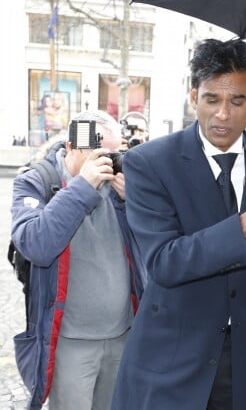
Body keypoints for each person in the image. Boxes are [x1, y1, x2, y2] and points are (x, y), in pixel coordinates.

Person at [111, 38, 246, 410]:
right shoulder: (148, 163)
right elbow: (164, 262)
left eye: (237, 101)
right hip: (172, 365)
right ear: (193, 96)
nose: (223, 114)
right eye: (212, 99)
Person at [10, 110, 144, 410]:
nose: (107, 162)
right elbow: (36, 244)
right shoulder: (37, 181)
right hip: (71, 343)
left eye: (113, 154)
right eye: (99, 153)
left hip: (123, 335)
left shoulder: (118, 186)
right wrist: (83, 186)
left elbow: (151, 247)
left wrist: (132, 203)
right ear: (72, 146)